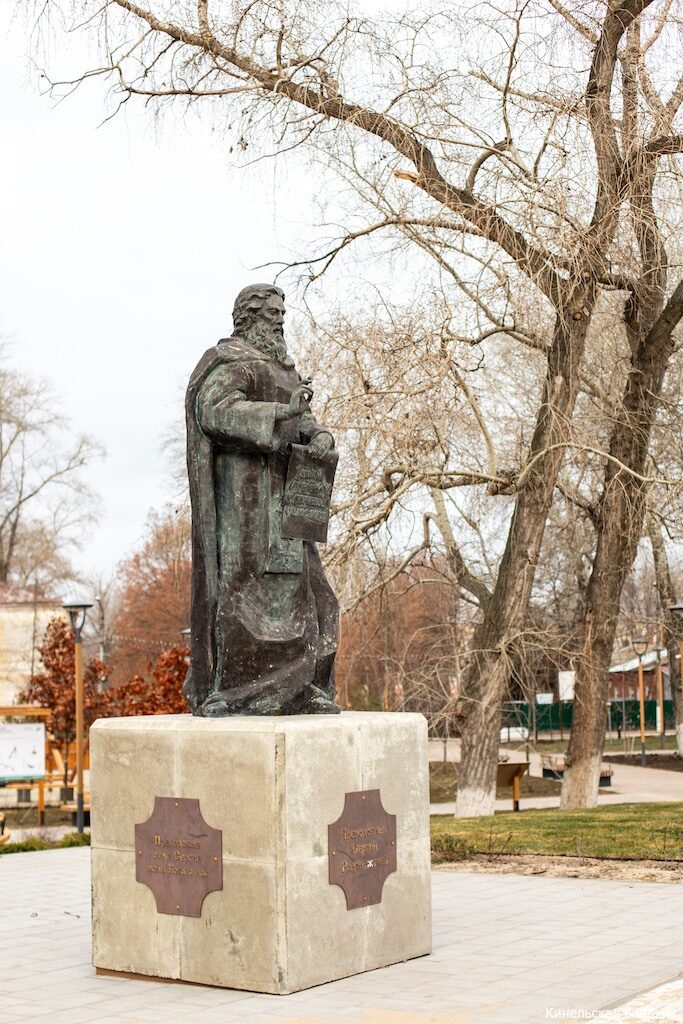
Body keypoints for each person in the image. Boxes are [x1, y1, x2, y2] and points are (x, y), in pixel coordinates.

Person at [183, 283, 340, 716]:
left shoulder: (284, 369)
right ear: (249, 318)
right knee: (244, 595)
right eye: (273, 313)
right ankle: (233, 692)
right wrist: (279, 414)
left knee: (313, 595)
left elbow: (303, 419)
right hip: (245, 506)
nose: (280, 321)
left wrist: (319, 436)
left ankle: (304, 688)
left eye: (282, 314)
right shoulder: (231, 362)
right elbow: (214, 412)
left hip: (286, 503)